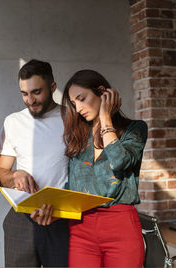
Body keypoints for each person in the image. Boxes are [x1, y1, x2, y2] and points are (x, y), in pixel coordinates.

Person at [31, 69, 147, 267]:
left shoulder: (134, 129)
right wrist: (54, 212)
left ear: (102, 92)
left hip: (121, 226)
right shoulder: (77, 138)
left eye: (81, 98)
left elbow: (119, 162)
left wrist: (106, 119)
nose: (78, 108)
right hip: (81, 229)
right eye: (74, 104)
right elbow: (74, 187)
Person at [0, 59, 69, 267]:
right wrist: (14, 175)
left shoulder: (72, 119)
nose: (30, 100)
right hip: (21, 220)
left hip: (61, 218)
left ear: (53, 87)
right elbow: (1, 171)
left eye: (36, 92)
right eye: (24, 94)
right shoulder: (13, 122)